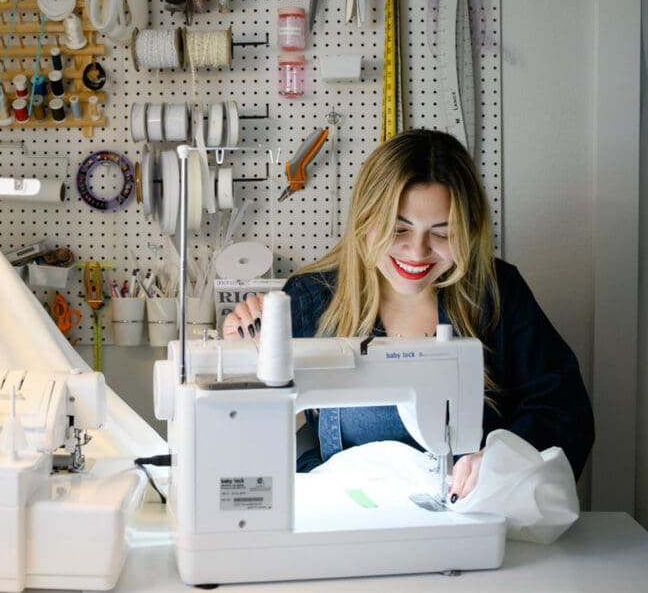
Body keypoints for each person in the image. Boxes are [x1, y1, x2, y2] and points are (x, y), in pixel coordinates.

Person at [222, 130, 594, 502]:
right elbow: (251, 430)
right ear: (364, 222)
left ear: (469, 232)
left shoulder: (495, 294)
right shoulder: (309, 300)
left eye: (442, 233)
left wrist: (503, 460)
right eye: (398, 229)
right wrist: (242, 357)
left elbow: (563, 410)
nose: (417, 252)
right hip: (347, 521)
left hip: (468, 520)